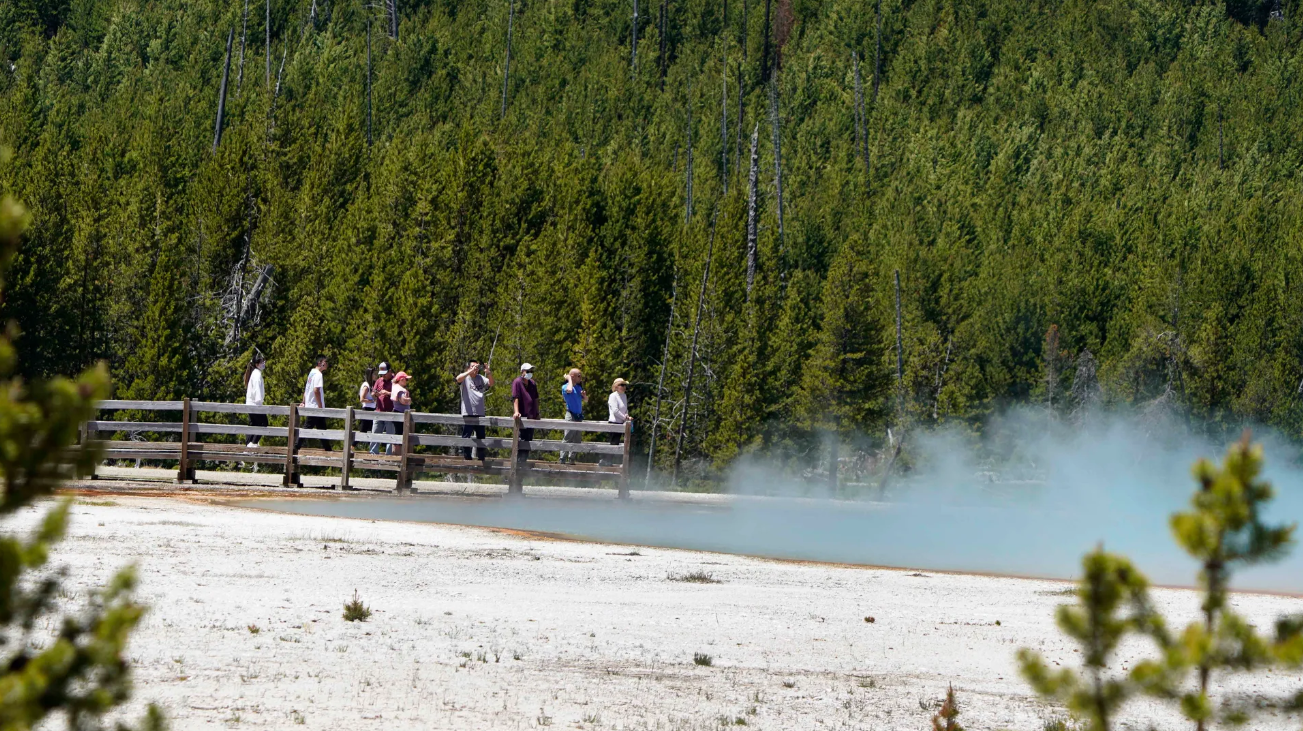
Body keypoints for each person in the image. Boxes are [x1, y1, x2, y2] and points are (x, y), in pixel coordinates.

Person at [456, 360, 493, 460]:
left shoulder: (480, 378)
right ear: (468, 368)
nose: (475, 369)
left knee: (481, 438)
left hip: (480, 413)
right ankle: (467, 458)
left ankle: (481, 459)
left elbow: (491, 383)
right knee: (466, 437)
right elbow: (458, 379)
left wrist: (488, 372)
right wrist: (470, 371)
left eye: (476, 367)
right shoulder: (465, 378)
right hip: (468, 413)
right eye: (473, 366)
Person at [297, 356, 331, 451]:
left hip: (311, 404)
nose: (327, 364)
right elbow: (316, 390)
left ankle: (328, 448)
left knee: (322, 428)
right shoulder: (318, 374)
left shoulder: (311, 373)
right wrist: (320, 406)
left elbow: (307, 388)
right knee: (307, 427)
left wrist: (304, 401)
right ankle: (296, 446)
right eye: (326, 362)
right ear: (320, 363)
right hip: (315, 406)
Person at [511, 363, 539, 464]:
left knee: (528, 441)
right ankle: (517, 464)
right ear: (522, 371)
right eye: (527, 371)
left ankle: (523, 463)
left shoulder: (532, 383)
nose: (529, 373)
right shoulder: (517, 382)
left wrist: (537, 412)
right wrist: (516, 411)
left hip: (531, 416)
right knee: (520, 441)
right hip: (522, 417)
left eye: (531, 371)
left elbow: (535, 398)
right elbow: (515, 397)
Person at [559, 368, 587, 464]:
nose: (581, 378)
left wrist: (584, 396)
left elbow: (586, 400)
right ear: (573, 376)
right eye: (579, 376)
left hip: (578, 415)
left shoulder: (579, 388)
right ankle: (562, 458)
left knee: (577, 438)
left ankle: (572, 458)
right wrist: (569, 379)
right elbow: (569, 390)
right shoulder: (565, 387)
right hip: (570, 414)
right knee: (568, 436)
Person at [603, 377, 631, 465]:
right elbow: (615, 410)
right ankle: (606, 460)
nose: (624, 387)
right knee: (613, 442)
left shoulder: (624, 396)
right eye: (621, 385)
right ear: (616, 386)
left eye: (624, 385)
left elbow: (625, 409)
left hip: (621, 422)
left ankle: (609, 461)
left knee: (616, 442)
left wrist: (626, 415)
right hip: (614, 422)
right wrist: (624, 418)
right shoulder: (613, 396)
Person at [243, 355, 267, 448]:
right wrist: (259, 402)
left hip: (251, 403)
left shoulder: (255, 373)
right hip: (255, 404)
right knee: (263, 423)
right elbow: (257, 389)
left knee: (253, 424)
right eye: (261, 362)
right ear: (257, 364)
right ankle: (253, 443)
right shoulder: (257, 374)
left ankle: (249, 444)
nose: (264, 364)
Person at [370, 362, 394, 455]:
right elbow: (373, 393)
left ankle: (389, 455)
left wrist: (387, 393)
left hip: (390, 412)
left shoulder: (394, 381)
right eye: (382, 374)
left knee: (390, 435)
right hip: (378, 411)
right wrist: (375, 394)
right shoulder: (379, 381)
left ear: (390, 371)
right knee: (375, 432)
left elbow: (398, 394)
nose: (383, 375)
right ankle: (373, 453)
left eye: (384, 373)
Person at [391, 371, 413, 454]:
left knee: (399, 433)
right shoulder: (400, 390)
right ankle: (397, 454)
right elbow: (403, 401)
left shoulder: (396, 387)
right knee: (399, 435)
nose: (406, 381)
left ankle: (397, 454)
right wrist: (409, 400)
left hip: (399, 412)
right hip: (399, 413)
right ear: (401, 380)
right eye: (406, 379)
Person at [358, 367, 377, 435]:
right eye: (374, 374)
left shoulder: (371, 385)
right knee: (363, 430)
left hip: (372, 409)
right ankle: (352, 445)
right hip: (367, 409)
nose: (376, 375)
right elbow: (362, 399)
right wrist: (372, 401)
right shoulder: (366, 386)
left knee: (371, 430)